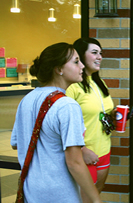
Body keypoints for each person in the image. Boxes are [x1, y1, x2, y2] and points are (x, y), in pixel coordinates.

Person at [10, 43, 101, 203]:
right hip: (59, 194)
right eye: (75, 61)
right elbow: (75, 163)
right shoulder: (67, 105)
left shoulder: (27, 99)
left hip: (31, 192)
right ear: (59, 69)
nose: (81, 66)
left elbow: (16, 143)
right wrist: (96, 200)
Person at [66, 37, 114, 202]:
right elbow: (63, 125)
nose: (99, 57)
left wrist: (116, 116)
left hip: (104, 150)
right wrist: (83, 150)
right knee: (85, 199)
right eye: (94, 53)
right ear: (80, 56)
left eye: (101, 53)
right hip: (83, 155)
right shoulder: (72, 86)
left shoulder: (100, 83)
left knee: (96, 193)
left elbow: (100, 114)